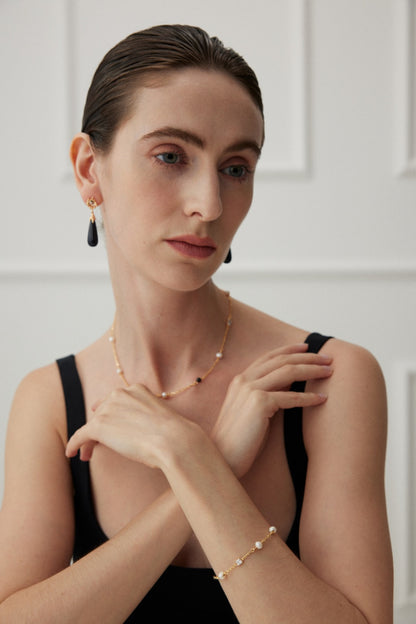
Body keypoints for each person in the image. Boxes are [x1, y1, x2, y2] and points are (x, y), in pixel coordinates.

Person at [0, 25, 393, 623]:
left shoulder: (328, 379)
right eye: (170, 156)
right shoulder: (51, 402)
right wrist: (208, 460)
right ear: (89, 170)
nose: (209, 204)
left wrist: (185, 456)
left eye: (236, 168)